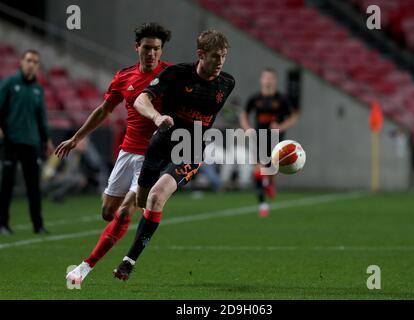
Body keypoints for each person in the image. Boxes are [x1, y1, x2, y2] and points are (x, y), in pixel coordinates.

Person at [112, 29, 235, 281]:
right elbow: (140, 101)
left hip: (189, 150)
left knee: (156, 198)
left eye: (223, 56)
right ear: (200, 54)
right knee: (140, 203)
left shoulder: (227, 83)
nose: (220, 62)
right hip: (160, 144)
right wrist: (157, 117)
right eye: (215, 56)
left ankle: (128, 261)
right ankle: (127, 212)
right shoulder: (177, 74)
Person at [55, 23, 172, 285]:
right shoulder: (124, 77)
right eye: (147, 48)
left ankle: (84, 268)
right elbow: (103, 110)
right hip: (126, 153)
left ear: (161, 50)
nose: (151, 54)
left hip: (152, 156)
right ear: (137, 48)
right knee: (108, 212)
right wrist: (76, 138)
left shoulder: (170, 75)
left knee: (122, 213)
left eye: (156, 49)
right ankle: (131, 211)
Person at [0, 49, 54, 235]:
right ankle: (3, 224)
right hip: (11, 142)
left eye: (35, 62)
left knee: (33, 187)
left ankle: (38, 225)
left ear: (38, 66)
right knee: (6, 185)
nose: (31, 64)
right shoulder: (9, 84)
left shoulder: (38, 90)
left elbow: (41, 118)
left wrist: (46, 139)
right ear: (21, 62)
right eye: (28, 60)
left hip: (32, 143)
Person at [240, 68, 298, 217]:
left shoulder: (281, 99)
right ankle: (263, 205)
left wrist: (281, 126)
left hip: (276, 140)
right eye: (265, 78)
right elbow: (244, 113)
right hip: (259, 139)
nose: (268, 81)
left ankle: (270, 184)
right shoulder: (255, 98)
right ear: (261, 80)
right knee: (258, 171)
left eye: (271, 78)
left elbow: (293, 117)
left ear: (275, 80)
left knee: (271, 170)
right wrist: (247, 129)